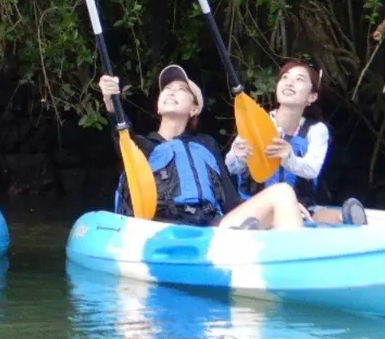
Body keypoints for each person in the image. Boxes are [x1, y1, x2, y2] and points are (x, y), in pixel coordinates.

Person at [99, 64, 307, 229]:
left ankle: (293, 269)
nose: (171, 92)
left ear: (194, 108)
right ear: (158, 105)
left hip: (211, 229)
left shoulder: (206, 145)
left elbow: (230, 200)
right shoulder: (143, 146)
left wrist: (275, 212)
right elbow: (122, 136)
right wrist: (111, 103)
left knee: (283, 192)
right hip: (162, 230)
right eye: (167, 89)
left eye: (181, 89)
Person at [225, 59, 365, 225]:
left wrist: (288, 158)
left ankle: (350, 222)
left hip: (304, 207)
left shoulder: (317, 130)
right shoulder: (256, 122)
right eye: (285, 77)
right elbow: (231, 167)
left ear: (311, 96)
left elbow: (312, 169)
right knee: (278, 213)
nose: (289, 83)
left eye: (299, 79)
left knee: (337, 217)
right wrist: (238, 156)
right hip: (255, 207)